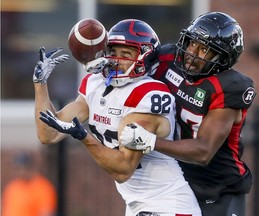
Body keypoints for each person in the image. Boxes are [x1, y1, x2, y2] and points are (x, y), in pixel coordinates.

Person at [33, 19, 202, 216]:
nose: (116, 59)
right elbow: (48, 134)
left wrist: (84, 137)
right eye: (112, 52)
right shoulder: (95, 84)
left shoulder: (149, 94)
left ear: (145, 57)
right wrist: (40, 83)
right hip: (136, 206)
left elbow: (123, 169)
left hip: (168, 205)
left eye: (126, 54)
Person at [120, 12, 257, 216]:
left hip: (216, 188)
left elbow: (203, 151)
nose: (192, 53)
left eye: (204, 50)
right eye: (192, 43)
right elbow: (128, 72)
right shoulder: (167, 59)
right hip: (173, 180)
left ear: (223, 58)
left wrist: (150, 141)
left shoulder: (227, 87)